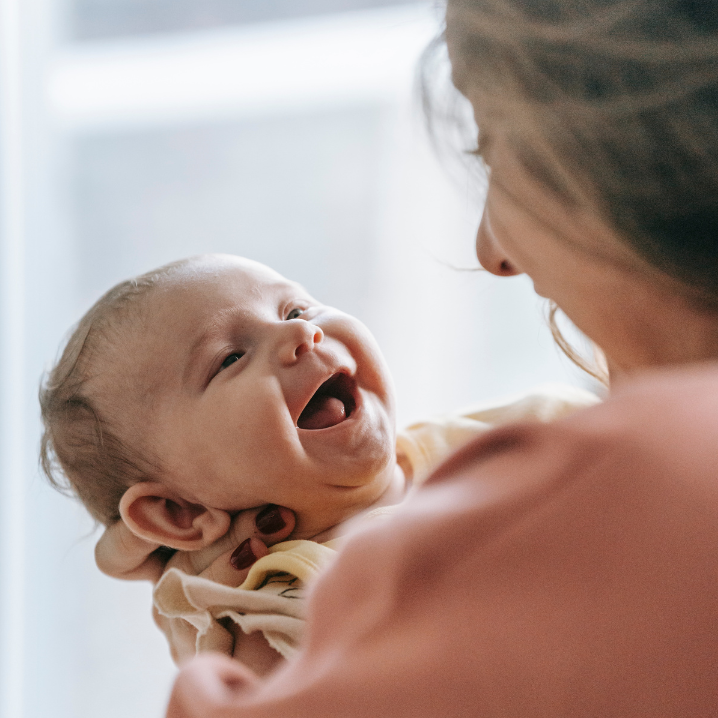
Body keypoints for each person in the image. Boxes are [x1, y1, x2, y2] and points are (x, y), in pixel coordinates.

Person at [160, 0, 718, 715]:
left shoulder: (612, 494)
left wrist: (206, 641)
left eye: (492, 146)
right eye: (230, 359)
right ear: (174, 509)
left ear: (630, 152)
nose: (494, 253)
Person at [39, 253, 595, 671]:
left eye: (296, 308)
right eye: (230, 357)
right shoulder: (281, 618)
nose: (302, 332)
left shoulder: (508, 432)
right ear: (177, 511)